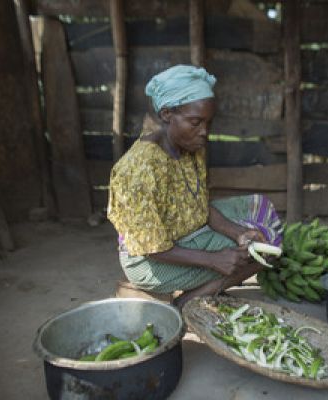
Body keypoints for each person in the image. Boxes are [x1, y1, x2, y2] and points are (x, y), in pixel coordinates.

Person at [107, 65, 282, 308]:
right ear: (167, 114)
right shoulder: (137, 171)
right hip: (150, 261)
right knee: (262, 250)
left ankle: (209, 280)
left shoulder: (189, 147)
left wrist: (237, 232)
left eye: (208, 123)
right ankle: (187, 302)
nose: (204, 132)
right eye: (195, 122)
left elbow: (199, 205)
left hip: (186, 232)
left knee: (258, 224)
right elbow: (151, 248)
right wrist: (213, 260)